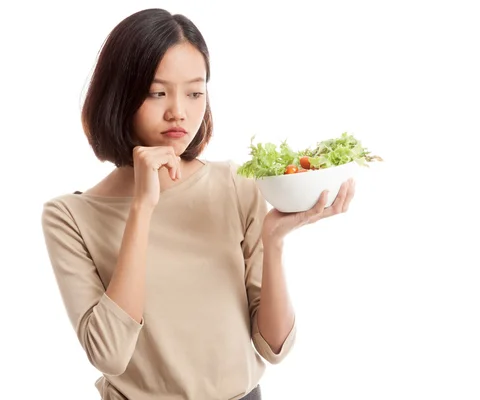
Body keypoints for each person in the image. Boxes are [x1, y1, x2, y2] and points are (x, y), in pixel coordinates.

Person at [41, 8, 355, 400]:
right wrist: (142, 207)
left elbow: (273, 347)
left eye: (194, 92)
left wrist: (273, 241)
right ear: (119, 95)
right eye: (158, 92)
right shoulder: (70, 217)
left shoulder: (235, 184)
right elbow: (109, 354)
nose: (179, 111)